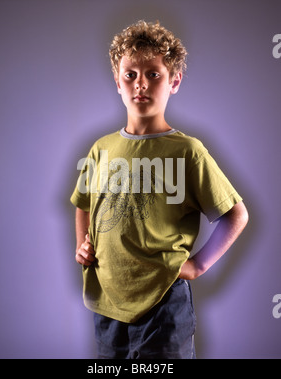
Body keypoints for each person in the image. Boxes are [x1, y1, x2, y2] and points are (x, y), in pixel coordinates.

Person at [70, 20, 249, 359]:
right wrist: (83, 245)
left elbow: (235, 214)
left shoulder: (187, 151)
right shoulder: (100, 149)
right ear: (117, 82)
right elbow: (83, 203)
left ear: (174, 81)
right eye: (130, 75)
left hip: (164, 306)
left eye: (153, 74)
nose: (141, 84)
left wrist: (198, 266)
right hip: (108, 303)